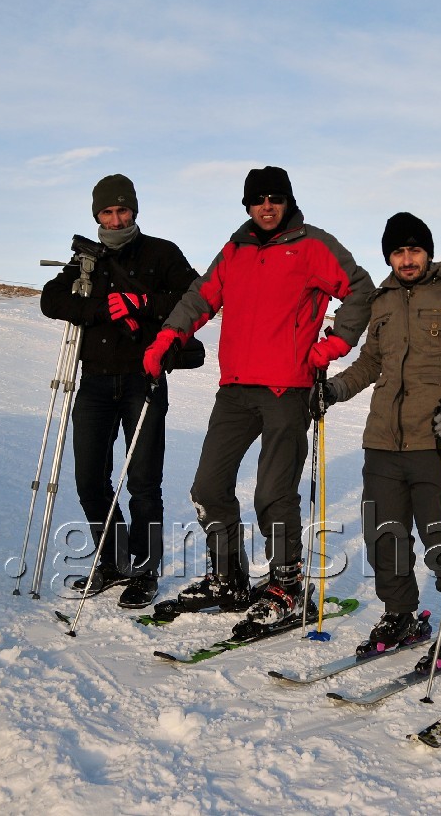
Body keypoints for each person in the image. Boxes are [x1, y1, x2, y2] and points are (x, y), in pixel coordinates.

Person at [144, 166, 374, 634]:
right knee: (208, 487)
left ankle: (288, 586)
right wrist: (168, 335)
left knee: (272, 494)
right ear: (247, 205)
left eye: (275, 198)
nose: (267, 206)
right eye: (258, 199)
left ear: (287, 201)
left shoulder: (312, 243)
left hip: (288, 390)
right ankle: (228, 579)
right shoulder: (235, 250)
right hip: (234, 388)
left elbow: (361, 290)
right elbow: (200, 297)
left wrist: (335, 343)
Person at [318, 213, 441, 670]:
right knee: (384, 535)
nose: (407, 259)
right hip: (382, 441)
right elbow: (369, 362)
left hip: (436, 437)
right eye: (398, 252)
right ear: (389, 257)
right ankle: (400, 615)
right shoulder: (382, 302)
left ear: (428, 252)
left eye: (414, 250)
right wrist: (334, 390)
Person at [40, 174, 199, 608]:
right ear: (97, 216)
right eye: (107, 212)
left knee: (144, 482)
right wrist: (100, 308)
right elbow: (52, 301)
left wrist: (141, 303)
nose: (115, 218)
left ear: (134, 210)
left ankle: (145, 570)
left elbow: (195, 295)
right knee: (89, 479)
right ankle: (112, 560)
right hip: (93, 380)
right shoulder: (85, 259)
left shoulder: (162, 252)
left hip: (142, 378)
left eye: (122, 210)